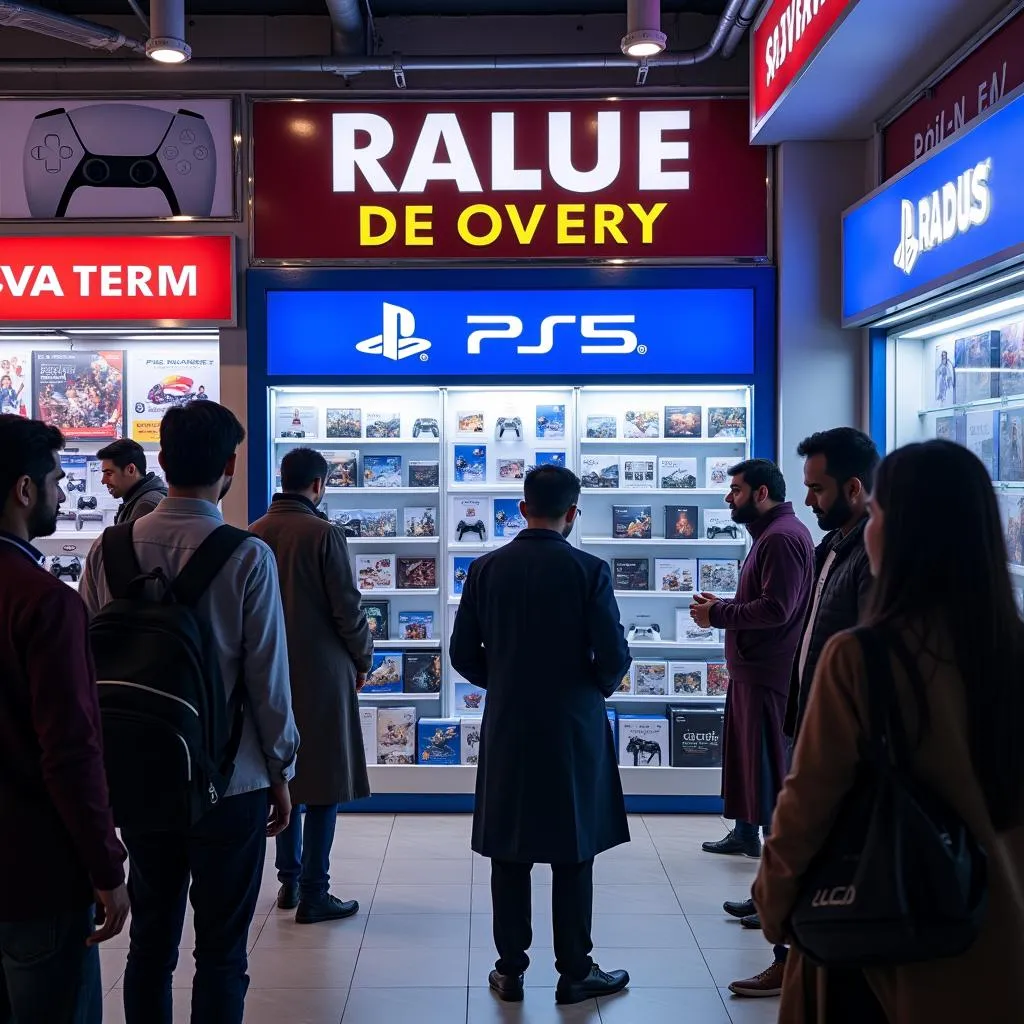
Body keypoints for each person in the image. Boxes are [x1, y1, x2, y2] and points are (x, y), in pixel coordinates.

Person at [754, 439, 1024, 1023]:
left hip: (887, 932)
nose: (869, 526)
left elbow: (807, 804)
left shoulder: (865, 657)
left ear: (907, 532)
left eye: (877, 513)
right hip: (1001, 934)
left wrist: (773, 904)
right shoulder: (1011, 646)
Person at [80, 401, 300, 1024]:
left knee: (150, 941)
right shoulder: (246, 556)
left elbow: (88, 661)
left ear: (160, 461)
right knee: (223, 951)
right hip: (231, 781)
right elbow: (268, 682)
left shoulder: (109, 548)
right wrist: (282, 772)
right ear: (230, 465)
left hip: (139, 773)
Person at [449, 465, 631, 1006]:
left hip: (509, 722)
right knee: (573, 848)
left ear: (523, 509)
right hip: (573, 723)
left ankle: (509, 969)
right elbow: (615, 654)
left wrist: (503, 680)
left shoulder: (485, 569)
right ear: (573, 513)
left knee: (510, 846)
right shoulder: (589, 570)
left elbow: (463, 654)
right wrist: (592, 687)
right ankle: (576, 969)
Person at [726, 428, 878, 998]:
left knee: (814, 843)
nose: (807, 499)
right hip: (809, 713)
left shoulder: (861, 554)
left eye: (817, 488)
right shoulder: (833, 544)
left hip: (838, 734)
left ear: (855, 487)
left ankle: (798, 961)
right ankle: (795, 961)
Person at [0, 415, 129, 1023]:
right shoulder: (45, 602)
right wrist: (105, 865)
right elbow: (71, 751)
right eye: (55, 480)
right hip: (34, 870)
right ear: (24, 491)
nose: (62, 493)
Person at [249, 447, 373, 924]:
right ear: (319, 485)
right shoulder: (325, 534)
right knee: (324, 783)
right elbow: (347, 606)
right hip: (322, 671)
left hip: (268, 670)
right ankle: (315, 890)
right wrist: (363, 657)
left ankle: (287, 883)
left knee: (286, 775)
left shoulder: (253, 532)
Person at [691, 459, 813, 858]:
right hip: (753, 668)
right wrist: (724, 605)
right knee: (747, 758)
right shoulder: (772, 534)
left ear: (762, 493)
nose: (729, 497)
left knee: (765, 762)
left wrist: (719, 614)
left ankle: (773, 852)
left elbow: (777, 609)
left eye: (737, 490)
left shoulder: (780, 538)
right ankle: (746, 833)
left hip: (767, 672)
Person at [96, 438, 167, 524]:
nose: (103, 481)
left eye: (109, 474)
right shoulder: (136, 500)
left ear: (130, 469)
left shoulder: (146, 505)